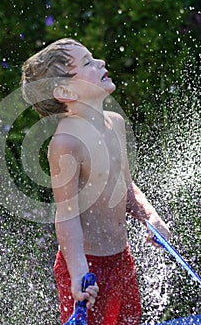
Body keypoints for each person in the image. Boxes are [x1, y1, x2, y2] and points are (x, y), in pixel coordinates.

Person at [21, 38, 170, 325]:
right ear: (64, 91)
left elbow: (125, 189)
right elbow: (66, 215)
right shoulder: (66, 142)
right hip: (89, 270)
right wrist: (78, 271)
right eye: (87, 63)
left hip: (121, 261)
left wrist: (151, 218)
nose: (100, 63)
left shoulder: (115, 123)